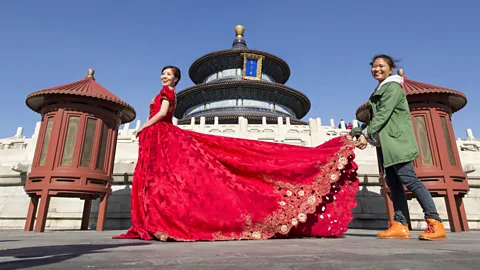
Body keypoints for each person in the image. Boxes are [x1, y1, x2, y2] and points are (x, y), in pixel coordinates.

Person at [113, 65, 360, 242]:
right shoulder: (166, 91)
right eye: (163, 74)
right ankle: (157, 219)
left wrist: (145, 125)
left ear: (176, 80)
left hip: (161, 133)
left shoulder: (167, 94)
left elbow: (162, 113)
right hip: (159, 138)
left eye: (169, 75)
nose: (164, 77)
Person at [351, 54, 447, 241]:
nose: (376, 69)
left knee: (409, 180)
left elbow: (384, 114)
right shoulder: (382, 88)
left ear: (391, 69)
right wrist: (357, 131)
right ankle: (400, 225)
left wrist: (365, 134)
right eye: (374, 66)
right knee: (395, 184)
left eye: (381, 66)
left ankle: (435, 222)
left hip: (397, 142)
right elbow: (376, 118)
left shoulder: (393, 87)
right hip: (388, 145)